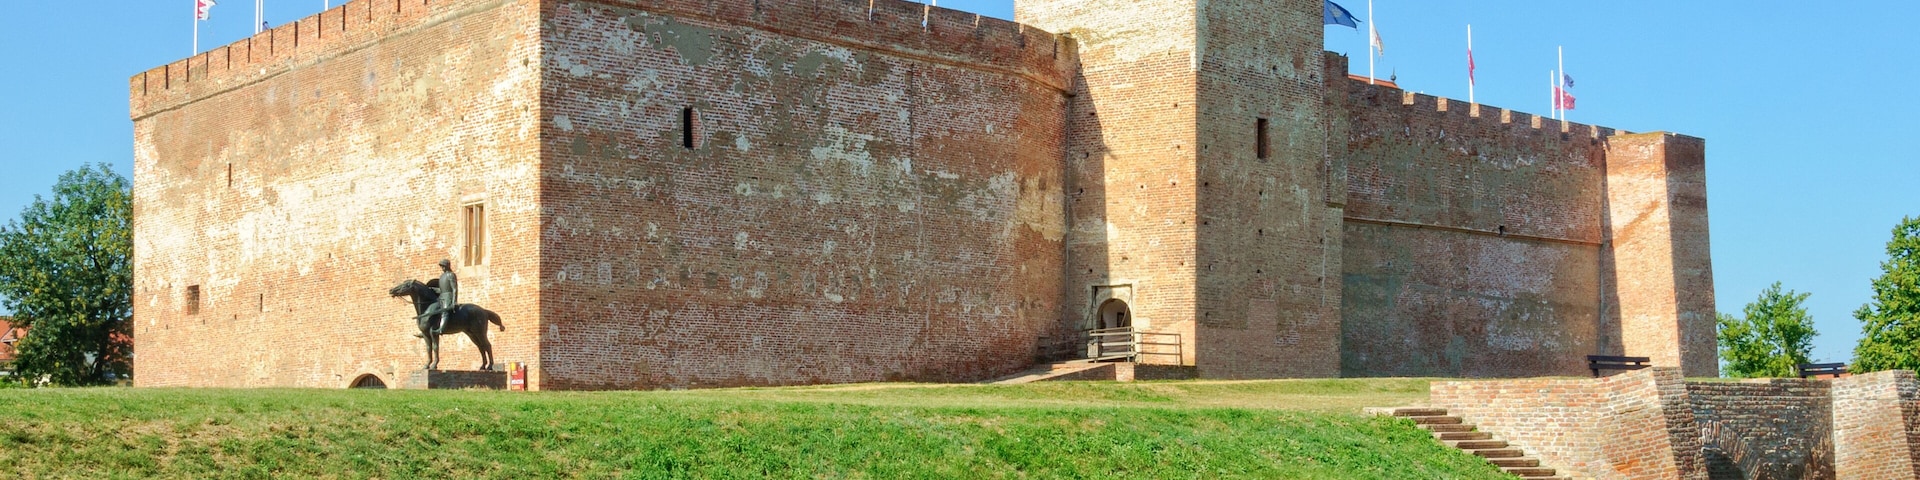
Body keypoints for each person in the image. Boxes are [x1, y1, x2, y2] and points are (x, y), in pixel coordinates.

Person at [416, 259, 458, 337]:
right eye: (441, 266)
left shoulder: (451, 275)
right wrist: (432, 289)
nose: (442, 268)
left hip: (448, 297)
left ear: (447, 266)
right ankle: (427, 329)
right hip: (441, 297)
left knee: (445, 311)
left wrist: (454, 301)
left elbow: (454, 289)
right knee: (433, 310)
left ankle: (441, 329)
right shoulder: (442, 276)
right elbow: (441, 290)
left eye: (443, 266)